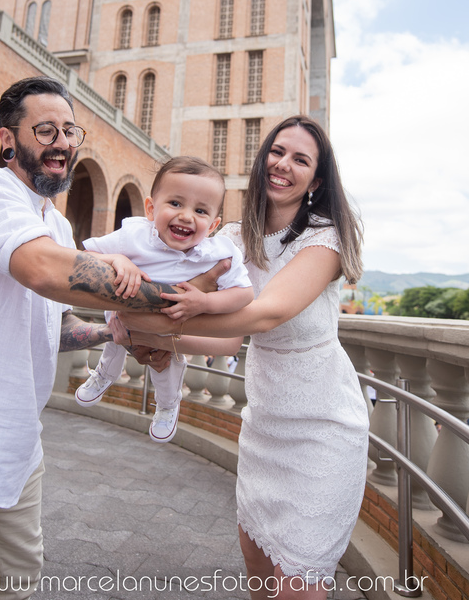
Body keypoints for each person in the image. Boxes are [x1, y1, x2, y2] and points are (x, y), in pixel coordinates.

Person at [0, 76, 222, 600]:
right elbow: (40, 271)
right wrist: (181, 298)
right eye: (45, 130)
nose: (62, 142)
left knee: (16, 588)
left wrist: (112, 333)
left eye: (69, 131)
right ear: (7, 140)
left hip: (19, 448)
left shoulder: (55, 226)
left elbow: (53, 324)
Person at [118, 115, 368, 600]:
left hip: (324, 429)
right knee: (257, 573)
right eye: (277, 152)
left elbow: (263, 316)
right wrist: (152, 338)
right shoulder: (232, 239)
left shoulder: (327, 237)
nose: (283, 164)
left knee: (299, 588)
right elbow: (224, 342)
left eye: (300, 159)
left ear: (315, 180)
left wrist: (191, 308)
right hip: (264, 427)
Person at [74, 156, 253, 443]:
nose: (186, 216)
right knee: (114, 344)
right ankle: (104, 375)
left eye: (200, 210)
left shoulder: (217, 253)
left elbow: (244, 294)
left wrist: (204, 304)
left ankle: (168, 406)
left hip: (169, 327)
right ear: (150, 208)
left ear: (214, 224)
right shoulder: (134, 237)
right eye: (175, 203)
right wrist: (117, 258)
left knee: (167, 370)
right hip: (123, 315)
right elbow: (84, 257)